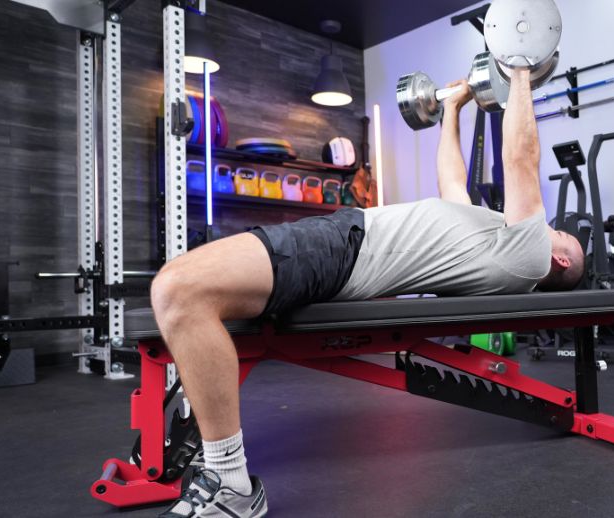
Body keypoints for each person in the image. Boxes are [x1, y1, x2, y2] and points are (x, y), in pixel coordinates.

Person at [151, 67, 585, 518]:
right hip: (345, 235)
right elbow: (452, 183)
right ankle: (222, 471)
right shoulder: (494, 243)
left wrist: (517, 72)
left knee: (180, 289)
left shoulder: (527, 259)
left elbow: (520, 159)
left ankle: (231, 483)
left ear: (558, 261)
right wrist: (452, 110)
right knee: (185, 289)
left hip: (347, 250)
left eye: (557, 235)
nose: (548, 228)